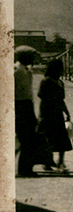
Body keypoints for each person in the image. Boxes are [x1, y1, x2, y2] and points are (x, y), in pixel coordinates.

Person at [38, 59, 72, 171]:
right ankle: (47, 162)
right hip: (47, 114)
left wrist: (66, 112)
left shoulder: (60, 82)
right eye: (60, 69)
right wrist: (42, 115)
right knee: (48, 139)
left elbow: (61, 100)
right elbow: (42, 97)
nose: (62, 71)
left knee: (61, 139)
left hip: (58, 114)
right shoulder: (46, 81)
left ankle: (60, 162)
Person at [15, 46, 43, 176]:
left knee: (30, 139)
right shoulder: (15, 71)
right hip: (18, 107)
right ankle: (22, 169)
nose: (34, 60)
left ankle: (25, 168)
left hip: (27, 106)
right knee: (22, 139)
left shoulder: (28, 71)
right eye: (32, 57)